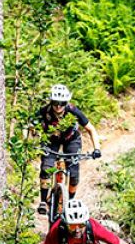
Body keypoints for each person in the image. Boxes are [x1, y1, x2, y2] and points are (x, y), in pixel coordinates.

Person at [32, 84, 100, 217]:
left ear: (66, 102)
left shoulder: (73, 111)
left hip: (71, 139)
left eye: (62, 103)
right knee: (46, 168)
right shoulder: (44, 111)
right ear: (50, 101)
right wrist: (29, 142)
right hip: (51, 139)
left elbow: (91, 129)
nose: (58, 106)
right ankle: (43, 202)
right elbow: (29, 125)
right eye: (55, 103)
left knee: (74, 173)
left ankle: (70, 201)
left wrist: (97, 148)